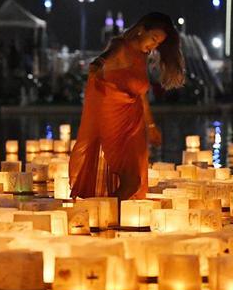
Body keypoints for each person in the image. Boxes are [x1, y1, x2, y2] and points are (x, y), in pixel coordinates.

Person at [69, 12, 185, 201]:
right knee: (132, 181)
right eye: (153, 39)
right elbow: (104, 57)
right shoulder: (120, 45)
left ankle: (108, 214)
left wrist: (151, 126)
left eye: (158, 44)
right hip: (114, 121)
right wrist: (98, 64)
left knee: (133, 180)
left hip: (134, 126)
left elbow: (142, 95)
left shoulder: (142, 56)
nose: (154, 46)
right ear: (141, 30)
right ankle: (102, 213)